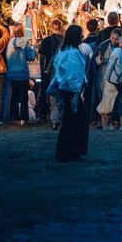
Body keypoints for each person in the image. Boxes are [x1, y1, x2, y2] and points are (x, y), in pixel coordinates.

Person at [49, 25, 92, 162]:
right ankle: (71, 152)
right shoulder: (73, 53)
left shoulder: (63, 51)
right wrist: (76, 92)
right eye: (80, 34)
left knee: (69, 120)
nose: (82, 37)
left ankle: (65, 152)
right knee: (76, 121)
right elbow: (74, 74)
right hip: (71, 90)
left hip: (64, 89)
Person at [98, 35, 122, 130]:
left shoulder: (117, 51)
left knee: (110, 102)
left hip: (114, 80)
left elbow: (110, 66)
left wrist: (106, 79)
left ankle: (106, 125)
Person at [5, 24, 38, 126]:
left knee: (14, 95)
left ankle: (14, 117)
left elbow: (7, 56)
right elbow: (31, 57)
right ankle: (24, 119)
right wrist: (35, 49)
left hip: (12, 73)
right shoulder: (26, 42)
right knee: (24, 96)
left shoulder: (10, 42)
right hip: (23, 73)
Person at [38, 20, 65, 129]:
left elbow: (42, 57)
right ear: (61, 27)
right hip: (61, 72)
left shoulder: (46, 41)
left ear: (51, 28)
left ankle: (48, 115)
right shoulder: (64, 41)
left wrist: (42, 70)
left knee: (49, 95)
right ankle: (60, 117)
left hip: (48, 72)